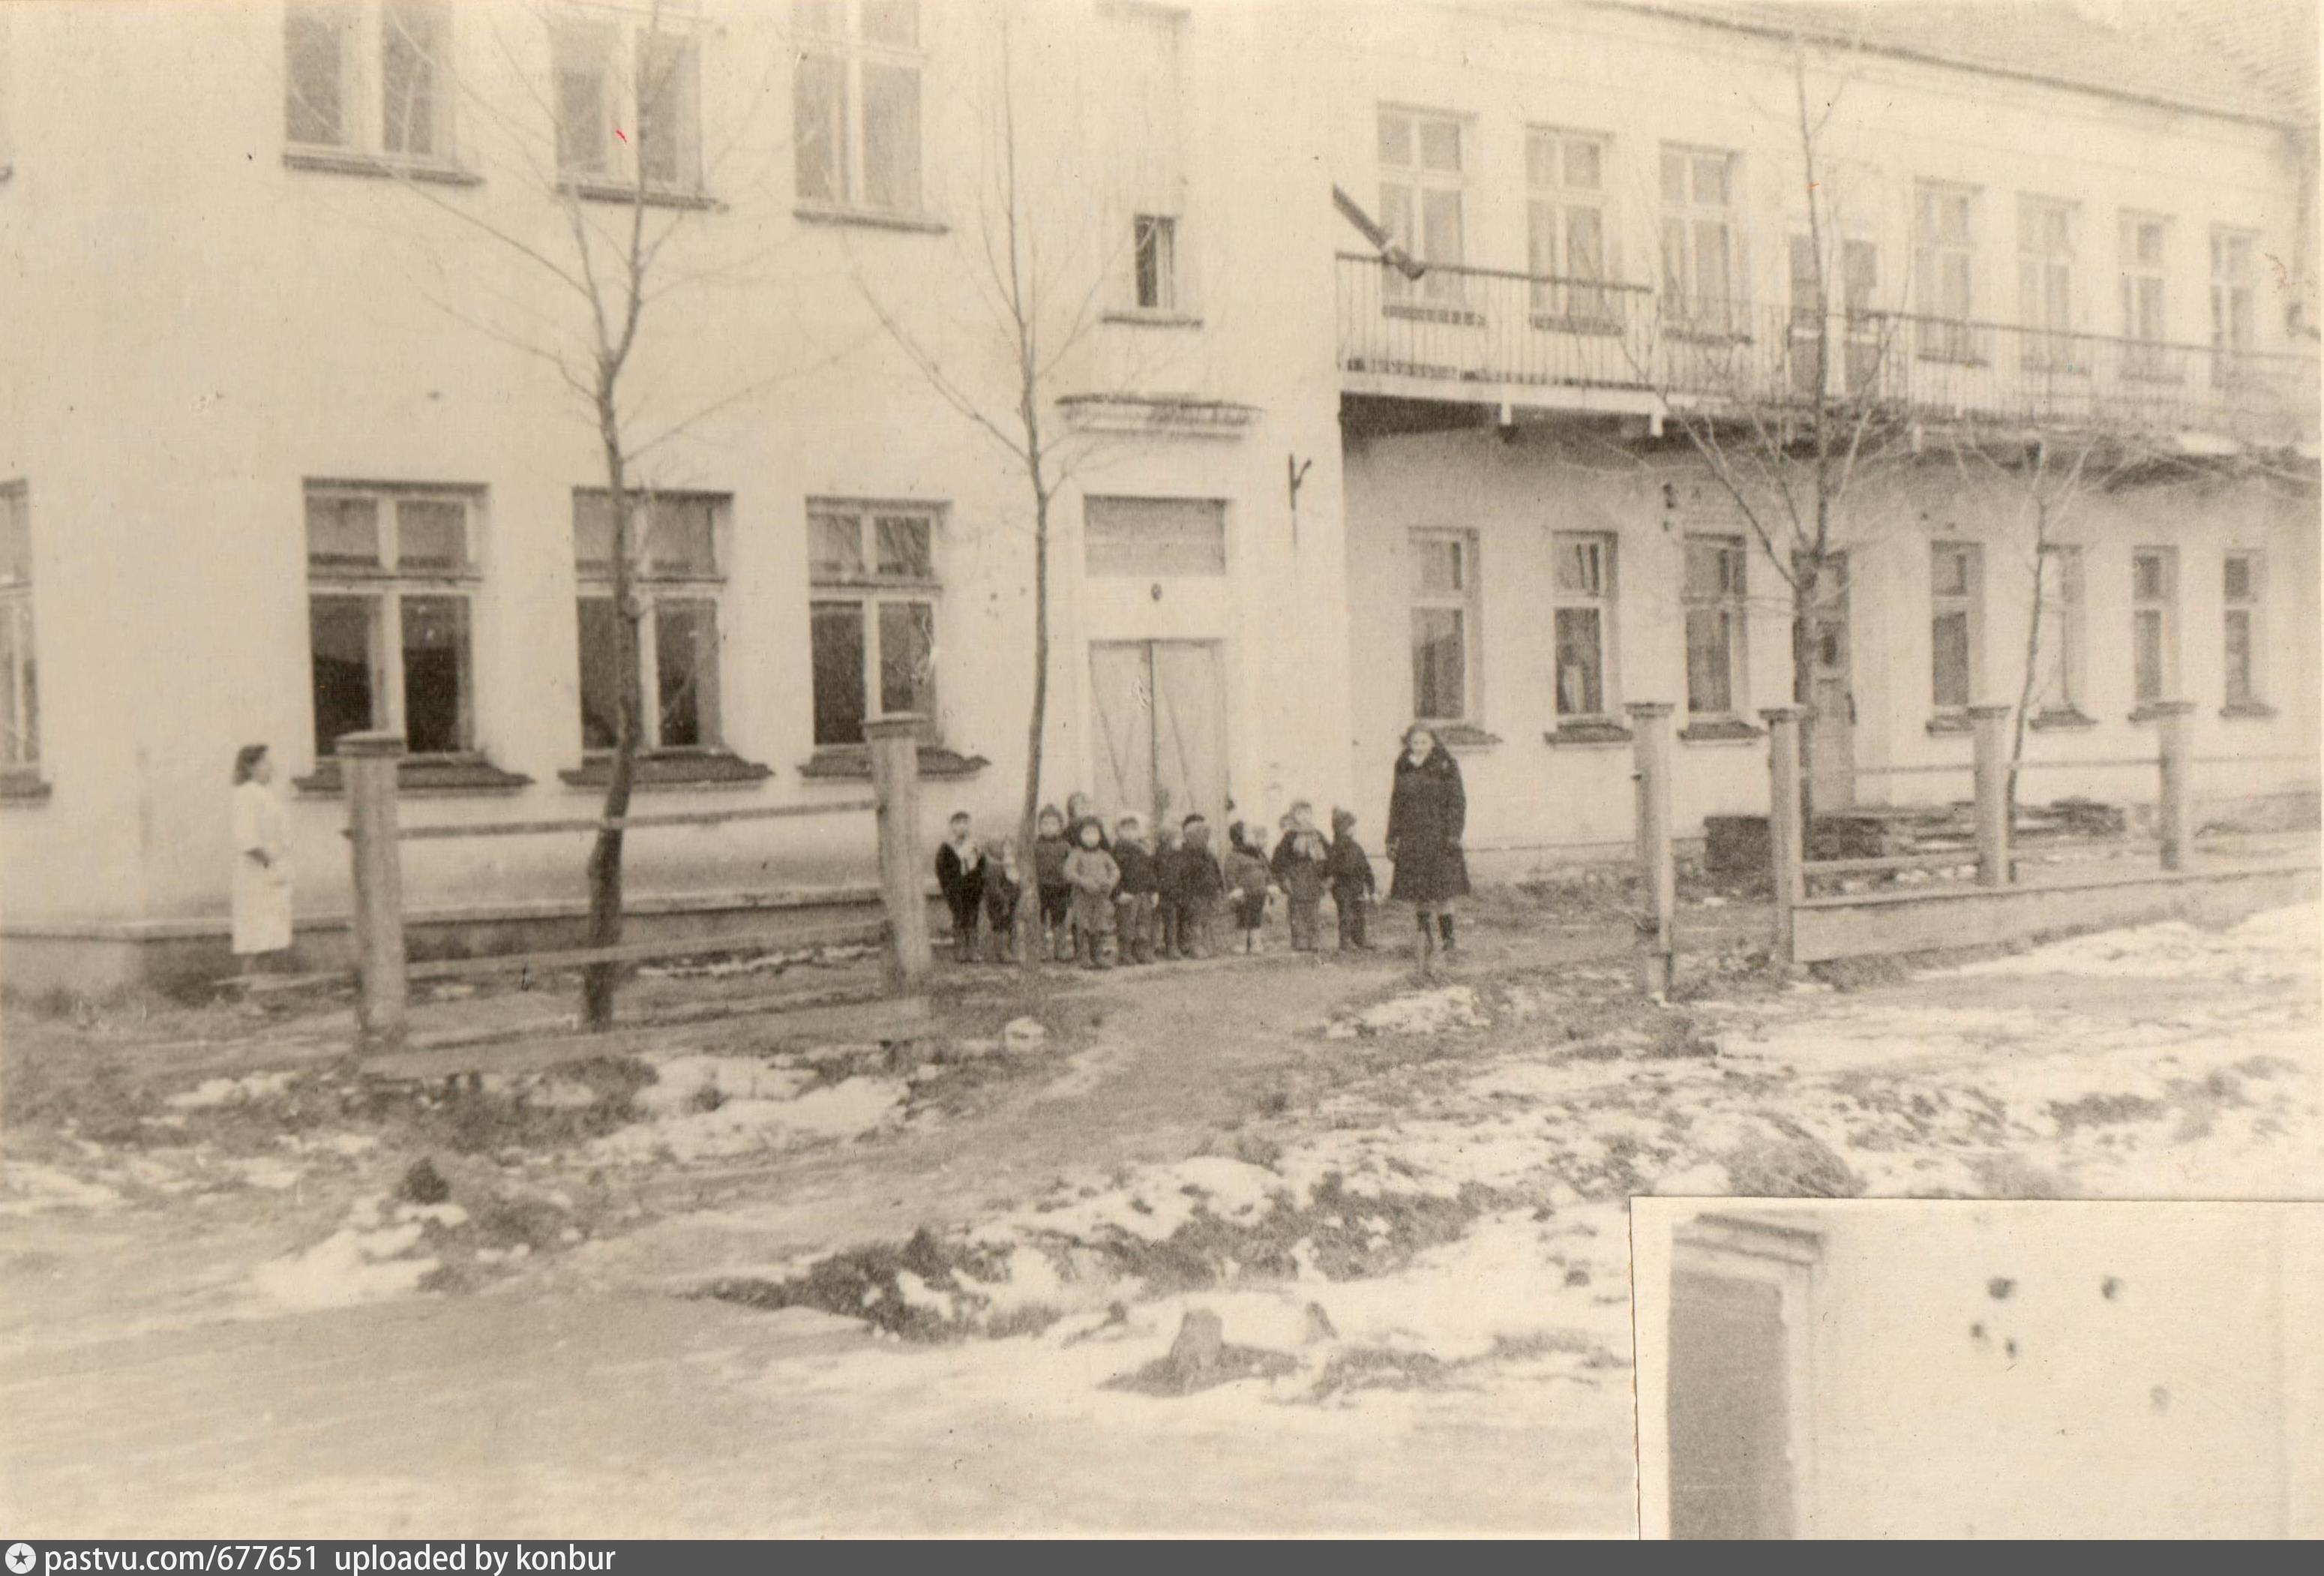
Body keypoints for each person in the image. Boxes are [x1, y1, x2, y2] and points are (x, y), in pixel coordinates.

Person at [1386, 722, 1470, 968]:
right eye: (1415, 742)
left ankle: (1449, 939)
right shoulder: (1402, 766)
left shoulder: (1446, 765)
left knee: (1443, 889)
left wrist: (1454, 833)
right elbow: (1396, 804)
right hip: (1413, 837)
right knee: (1419, 890)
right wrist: (1392, 837)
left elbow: (1458, 801)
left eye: (1424, 742)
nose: (1420, 746)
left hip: (1440, 836)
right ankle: (1424, 938)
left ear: (1433, 743)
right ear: (1409, 744)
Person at [229, 743, 293, 975]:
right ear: (249, 766)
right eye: (265, 762)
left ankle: (264, 992)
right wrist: (270, 862)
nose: (271, 767)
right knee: (254, 937)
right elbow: (247, 839)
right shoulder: (246, 794)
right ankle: (250, 999)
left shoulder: (264, 794)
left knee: (270, 936)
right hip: (256, 873)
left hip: (271, 871)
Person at [1270, 801, 1332, 953]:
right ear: (1293, 816)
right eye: (1299, 813)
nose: (1304, 816)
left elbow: (1329, 855)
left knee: (1313, 910)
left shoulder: (1318, 835)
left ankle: (1314, 940)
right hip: (1297, 876)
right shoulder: (1290, 836)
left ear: (1311, 815)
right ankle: (1300, 940)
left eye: (1307, 813)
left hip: (1314, 876)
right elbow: (1279, 858)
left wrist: (1327, 876)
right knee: (1297, 910)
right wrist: (1284, 877)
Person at [1063, 818, 1121, 970]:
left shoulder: (1105, 855)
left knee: (1099, 925)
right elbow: (1068, 872)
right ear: (1080, 835)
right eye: (1087, 833)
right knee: (1083, 925)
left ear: (1100, 836)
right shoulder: (1076, 854)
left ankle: (1097, 956)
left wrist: (1110, 882)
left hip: (1100, 897)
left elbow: (1115, 870)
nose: (1091, 837)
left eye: (1094, 833)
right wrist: (1083, 882)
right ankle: (1083, 956)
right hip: (1082, 897)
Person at [934, 810, 985, 964]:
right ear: (951, 826)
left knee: (972, 917)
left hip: (972, 887)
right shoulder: (947, 847)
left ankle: (973, 950)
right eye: (958, 823)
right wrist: (949, 886)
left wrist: (979, 880)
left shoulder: (975, 844)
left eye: (965, 822)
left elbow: (982, 865)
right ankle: (960, 950)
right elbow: (941, 869)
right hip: (956, 889)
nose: (962, 826)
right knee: (959, 917)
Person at [1170, 813, 1222, 959]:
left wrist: (1219, 887)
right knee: (1195, 922)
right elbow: (1183, 876)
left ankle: (1208, 945)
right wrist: (1185, 895)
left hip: (1208, 893)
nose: (1206, 839)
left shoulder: (1209, 855)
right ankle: (1196, 946)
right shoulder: (1186, 855)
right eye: (1203, 836)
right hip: (1194, 895)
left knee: (1206, 920)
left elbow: (1216, 872)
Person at [1327, 806, 1377, 952]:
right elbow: (1331, 868)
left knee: (1359, 914)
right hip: (1342, 888)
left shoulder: (1356, 847)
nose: (1353, 829)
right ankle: (1345, 941)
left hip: (1357, 887)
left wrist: (1371, 887)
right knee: (1346, 914)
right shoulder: (1335, 847)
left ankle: (1360, 939)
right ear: (1341, 828)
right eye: (1350, 826)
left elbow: (1366, 867)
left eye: (1353, 826)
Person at [1112, 813, 1158, 965]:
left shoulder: (1143, 850)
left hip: (1143, 894)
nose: (1130, 833)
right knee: (1127, 924)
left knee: (1143, 924)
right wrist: (1117, 893)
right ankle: (1125, 953)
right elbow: (1113, 874)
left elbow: (1150, 873)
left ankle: (1142, 951)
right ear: (1118, 832)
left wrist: (1154, 891)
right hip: (1128, 894)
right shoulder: (1117, 851)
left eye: (1133, 829)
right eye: (1125, 830)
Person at [1032, 804, 1074, 963]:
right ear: (1040, 826)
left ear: (1060, 826)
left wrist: (1068, 885)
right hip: (1041, 888)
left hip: (1060, 888)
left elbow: (1070, 866)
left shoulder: (1065, 846)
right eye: (1045, 824)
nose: (1049, 827)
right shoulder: (1035, 846)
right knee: (1040, 919)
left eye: (1053, 824)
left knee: (1059, 919)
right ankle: (1041, 950)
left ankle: (1060, 949)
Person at [1225, 820, 1273, 955]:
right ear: (1239, 836)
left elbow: (1266, 870)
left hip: (1259, 892)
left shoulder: (1258, 853)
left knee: (1256, 917)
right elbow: (1230, 873)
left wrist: (1270, 884)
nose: (1252, 836)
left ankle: (1256, 943)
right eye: (1248, 833)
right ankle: (1241, 943)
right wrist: (1234, 889)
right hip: (1244, 893)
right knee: (1243, 917)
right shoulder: (1234, 855)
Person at [982, 838, 1023, 965]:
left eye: (1009, 848)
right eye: (1004, 848)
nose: (1007, 851)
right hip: (999, 903)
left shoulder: (1009, 864)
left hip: (1010, 901)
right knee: (1001, 926)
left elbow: (1015, 882)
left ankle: (1009, 951)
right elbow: (994, 888)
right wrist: (1004, 899)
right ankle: (1002, 952)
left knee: (1009, 925)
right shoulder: (994, 866)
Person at [1152, 819, 1185, 959]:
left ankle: (1172, 947)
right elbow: (1154, 875)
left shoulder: (1179, 857)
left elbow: (1181, 876)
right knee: (1155, 921)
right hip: (1161, 894)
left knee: (1172, 922)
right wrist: (1156, 890)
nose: (1182, 841)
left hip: (1173, 895)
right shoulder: (1157, 856)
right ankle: (1152, 947)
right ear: (1167, 840)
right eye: (1178, 838)